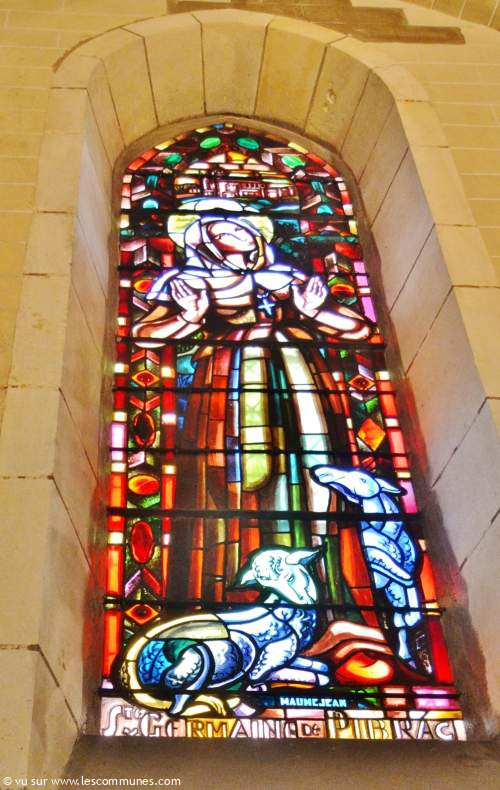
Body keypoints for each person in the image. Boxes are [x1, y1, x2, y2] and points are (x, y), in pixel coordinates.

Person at [133, 210, 372, 602]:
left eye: (243, 226)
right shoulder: (187, 282)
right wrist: (189, 317)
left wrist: (315, 312)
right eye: (224, 228)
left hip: (299, 383)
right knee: (231, 476)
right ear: (204, 242)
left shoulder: (286, 279)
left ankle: (323, 580)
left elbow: (359, 329)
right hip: (228, 387)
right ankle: (232, 586)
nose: (238, 230)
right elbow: (145, 335)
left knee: (311, 469)